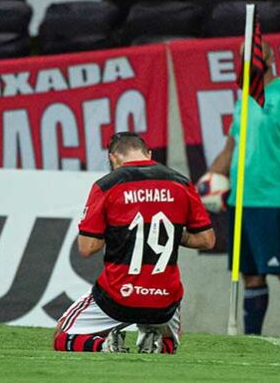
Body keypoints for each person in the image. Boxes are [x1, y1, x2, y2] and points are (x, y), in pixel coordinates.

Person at [54, 132, 215, 354]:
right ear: (148, 154)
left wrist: (117, 231)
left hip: (119, 294)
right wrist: (176, 233)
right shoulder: (181, 182)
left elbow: (87, 248)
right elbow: (207, 240)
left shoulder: (107, 185)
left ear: (112, 158)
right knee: (172, 337)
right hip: (164, 299)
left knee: (63, 335)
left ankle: (104, 345)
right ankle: (157, 343)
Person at [207, 41, 280, 337]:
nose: (249, 61)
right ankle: (251, 343)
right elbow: (231, 147)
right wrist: (208, 181)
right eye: (244, 56)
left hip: (273, 201)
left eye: (254, 54)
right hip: (240, 201)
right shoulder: (243, 100)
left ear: (269, 57)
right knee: (250, 274)